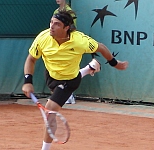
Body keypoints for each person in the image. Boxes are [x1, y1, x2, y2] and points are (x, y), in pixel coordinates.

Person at [22, 11, 128, 150]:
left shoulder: (80, 41)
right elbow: (31, 59)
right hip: (51, 75)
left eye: (57, 24)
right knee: (52, 106)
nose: (52, 27)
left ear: (66, 28)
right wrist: (27, 81)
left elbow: (101, 47)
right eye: (51, 22)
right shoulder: (43, 37)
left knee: (50, 111)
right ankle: (90, 68)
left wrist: (115, 63)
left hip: (69, 81)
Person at [54, 0, 77, 104]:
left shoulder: (70, 12)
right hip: (57, 44)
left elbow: (73, 28)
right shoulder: (55, 11)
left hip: (69, 44)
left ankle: (69, 95)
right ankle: (60, 94)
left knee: (68, 69)